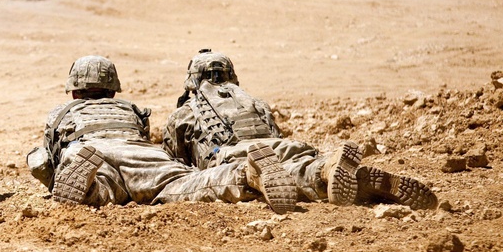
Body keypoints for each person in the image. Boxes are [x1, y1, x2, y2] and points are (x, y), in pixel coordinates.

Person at [162, 49, 437, 210]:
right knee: (300, 165)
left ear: (192, 80)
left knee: (271, 178)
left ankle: (323, 176)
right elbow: (275, 135)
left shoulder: (184, 113)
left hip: (238, 158)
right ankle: (328, 168)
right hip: (285, 147)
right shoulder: (254, 102)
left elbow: (175, 166)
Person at [26, 55, 299, 213]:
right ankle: (245, 174)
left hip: (92, 154)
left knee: (102, 191)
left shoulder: (61, 112)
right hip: (146, 155)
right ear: (113, 91)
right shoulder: (130, 109)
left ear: (74, 92)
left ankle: (90, 187)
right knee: (186, 187)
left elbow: (45, 162)